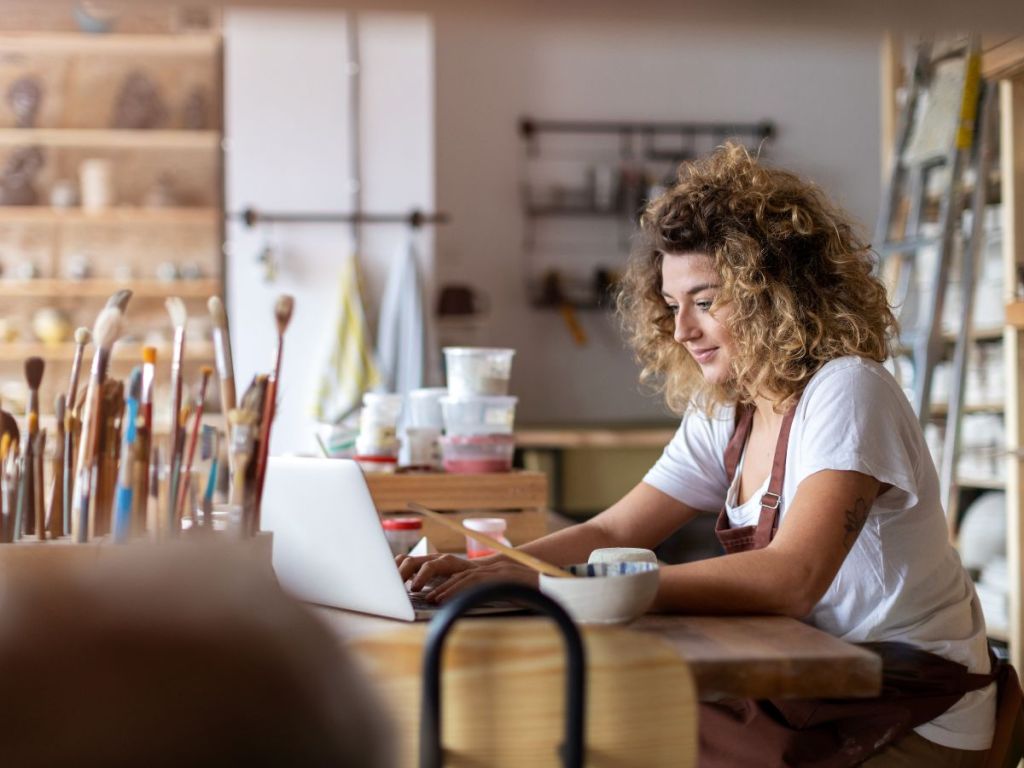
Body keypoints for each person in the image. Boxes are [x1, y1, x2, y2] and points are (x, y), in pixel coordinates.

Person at [399, 143, 997, 767]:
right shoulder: (728, 409)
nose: (682, 329)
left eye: (705, 301)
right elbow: (612, 529)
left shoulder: (847, 391)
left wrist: (567, 588)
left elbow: (791, 579)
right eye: (673, 304)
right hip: (812, 689)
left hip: (915, 709)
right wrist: (495, 572)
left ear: (776, 292)